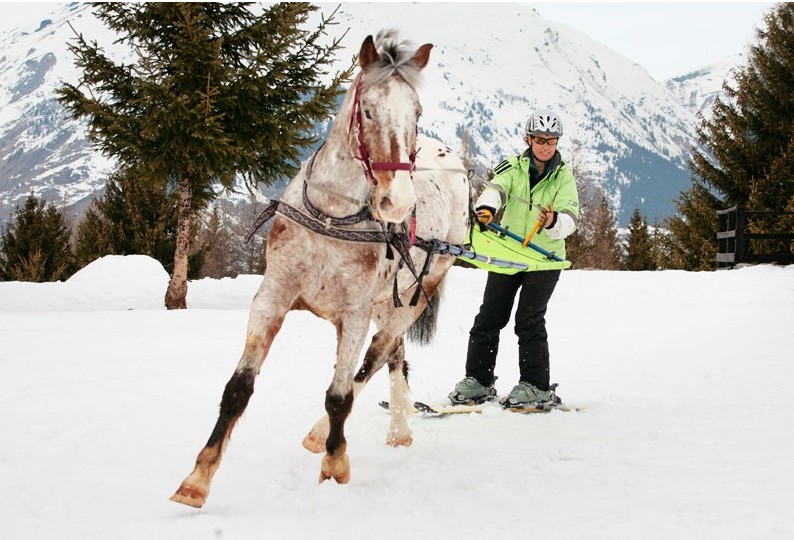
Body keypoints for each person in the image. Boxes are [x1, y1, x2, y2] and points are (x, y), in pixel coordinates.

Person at [449, 109, 579, 409]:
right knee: (489, 316)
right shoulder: (513, 167)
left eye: (552, 141)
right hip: (509, 254)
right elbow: (497, 188)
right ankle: (478, 381)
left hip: (545, 260)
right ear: (529, 139)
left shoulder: (564, 177)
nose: (546, 146)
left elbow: (570, 219)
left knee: (528, 320)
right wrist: (486, 208)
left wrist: (552, 221)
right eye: (540, 140)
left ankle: (536, 386)